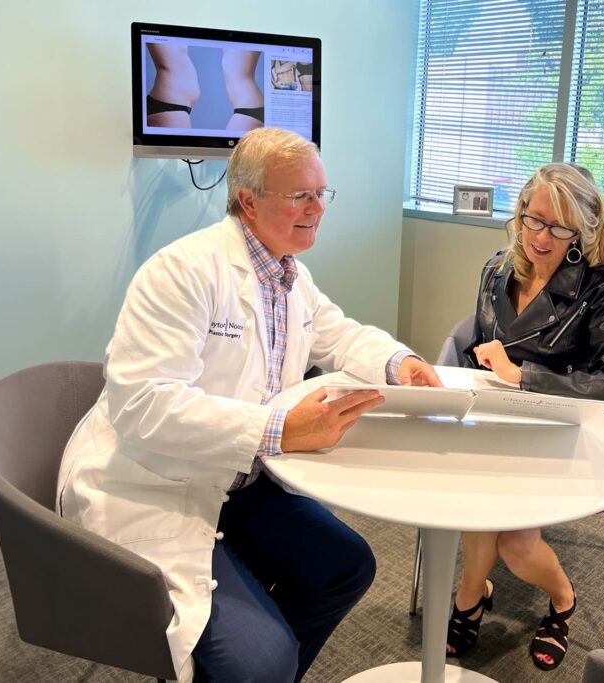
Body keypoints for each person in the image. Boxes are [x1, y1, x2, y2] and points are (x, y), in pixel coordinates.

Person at [56, 127, 442, 683]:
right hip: (155, 481)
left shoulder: (290, 274)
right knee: (262, 659)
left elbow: (338, 333)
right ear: (249, 199)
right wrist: (279, 429)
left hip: (236, 478)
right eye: (300, 195)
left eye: (321, 194)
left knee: (347, 567)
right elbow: (144, 406)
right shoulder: (181, 272)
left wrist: (398, 362)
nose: (317, 209)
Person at [448, 162, 604, 671]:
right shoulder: (496, 270)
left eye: (558, 227)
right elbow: (476, 350)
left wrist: (522, 376)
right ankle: (472, 596)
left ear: (584, 231)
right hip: (496, 422)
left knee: (514, 544)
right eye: (531, 219)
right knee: (472, 506)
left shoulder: (602, 290)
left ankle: (561, 598)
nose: (539, 236)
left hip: (560, 429)